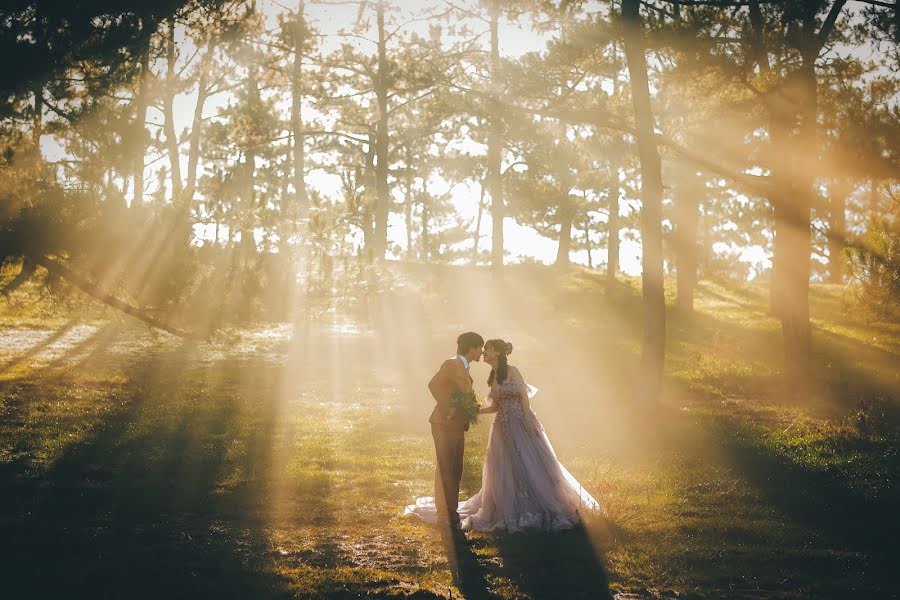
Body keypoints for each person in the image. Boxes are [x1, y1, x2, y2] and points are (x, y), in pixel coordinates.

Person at [407, 338, 600, 532]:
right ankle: (471, 509)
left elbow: (524, 398)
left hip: (520, 423)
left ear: (497, 352)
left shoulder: (513, 371)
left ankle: (534, 502)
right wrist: (475, 411)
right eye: (481, 349)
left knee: (528, 462)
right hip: (501, 428)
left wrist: (527, 421)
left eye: (487, 349)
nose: (483, 352)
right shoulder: (491, 376)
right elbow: (495, 406)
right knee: (502, 467)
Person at [420, 331, 483, 530]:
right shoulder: (452, 363)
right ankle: (444, 514)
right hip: (443, 423)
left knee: (456, 469)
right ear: (471, 348)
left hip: (456, 425)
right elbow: (434, 384)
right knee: (446, 467)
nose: (481, 351)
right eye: (479, 347)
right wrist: (450, 407)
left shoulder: (464, 367)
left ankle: (451, 511)